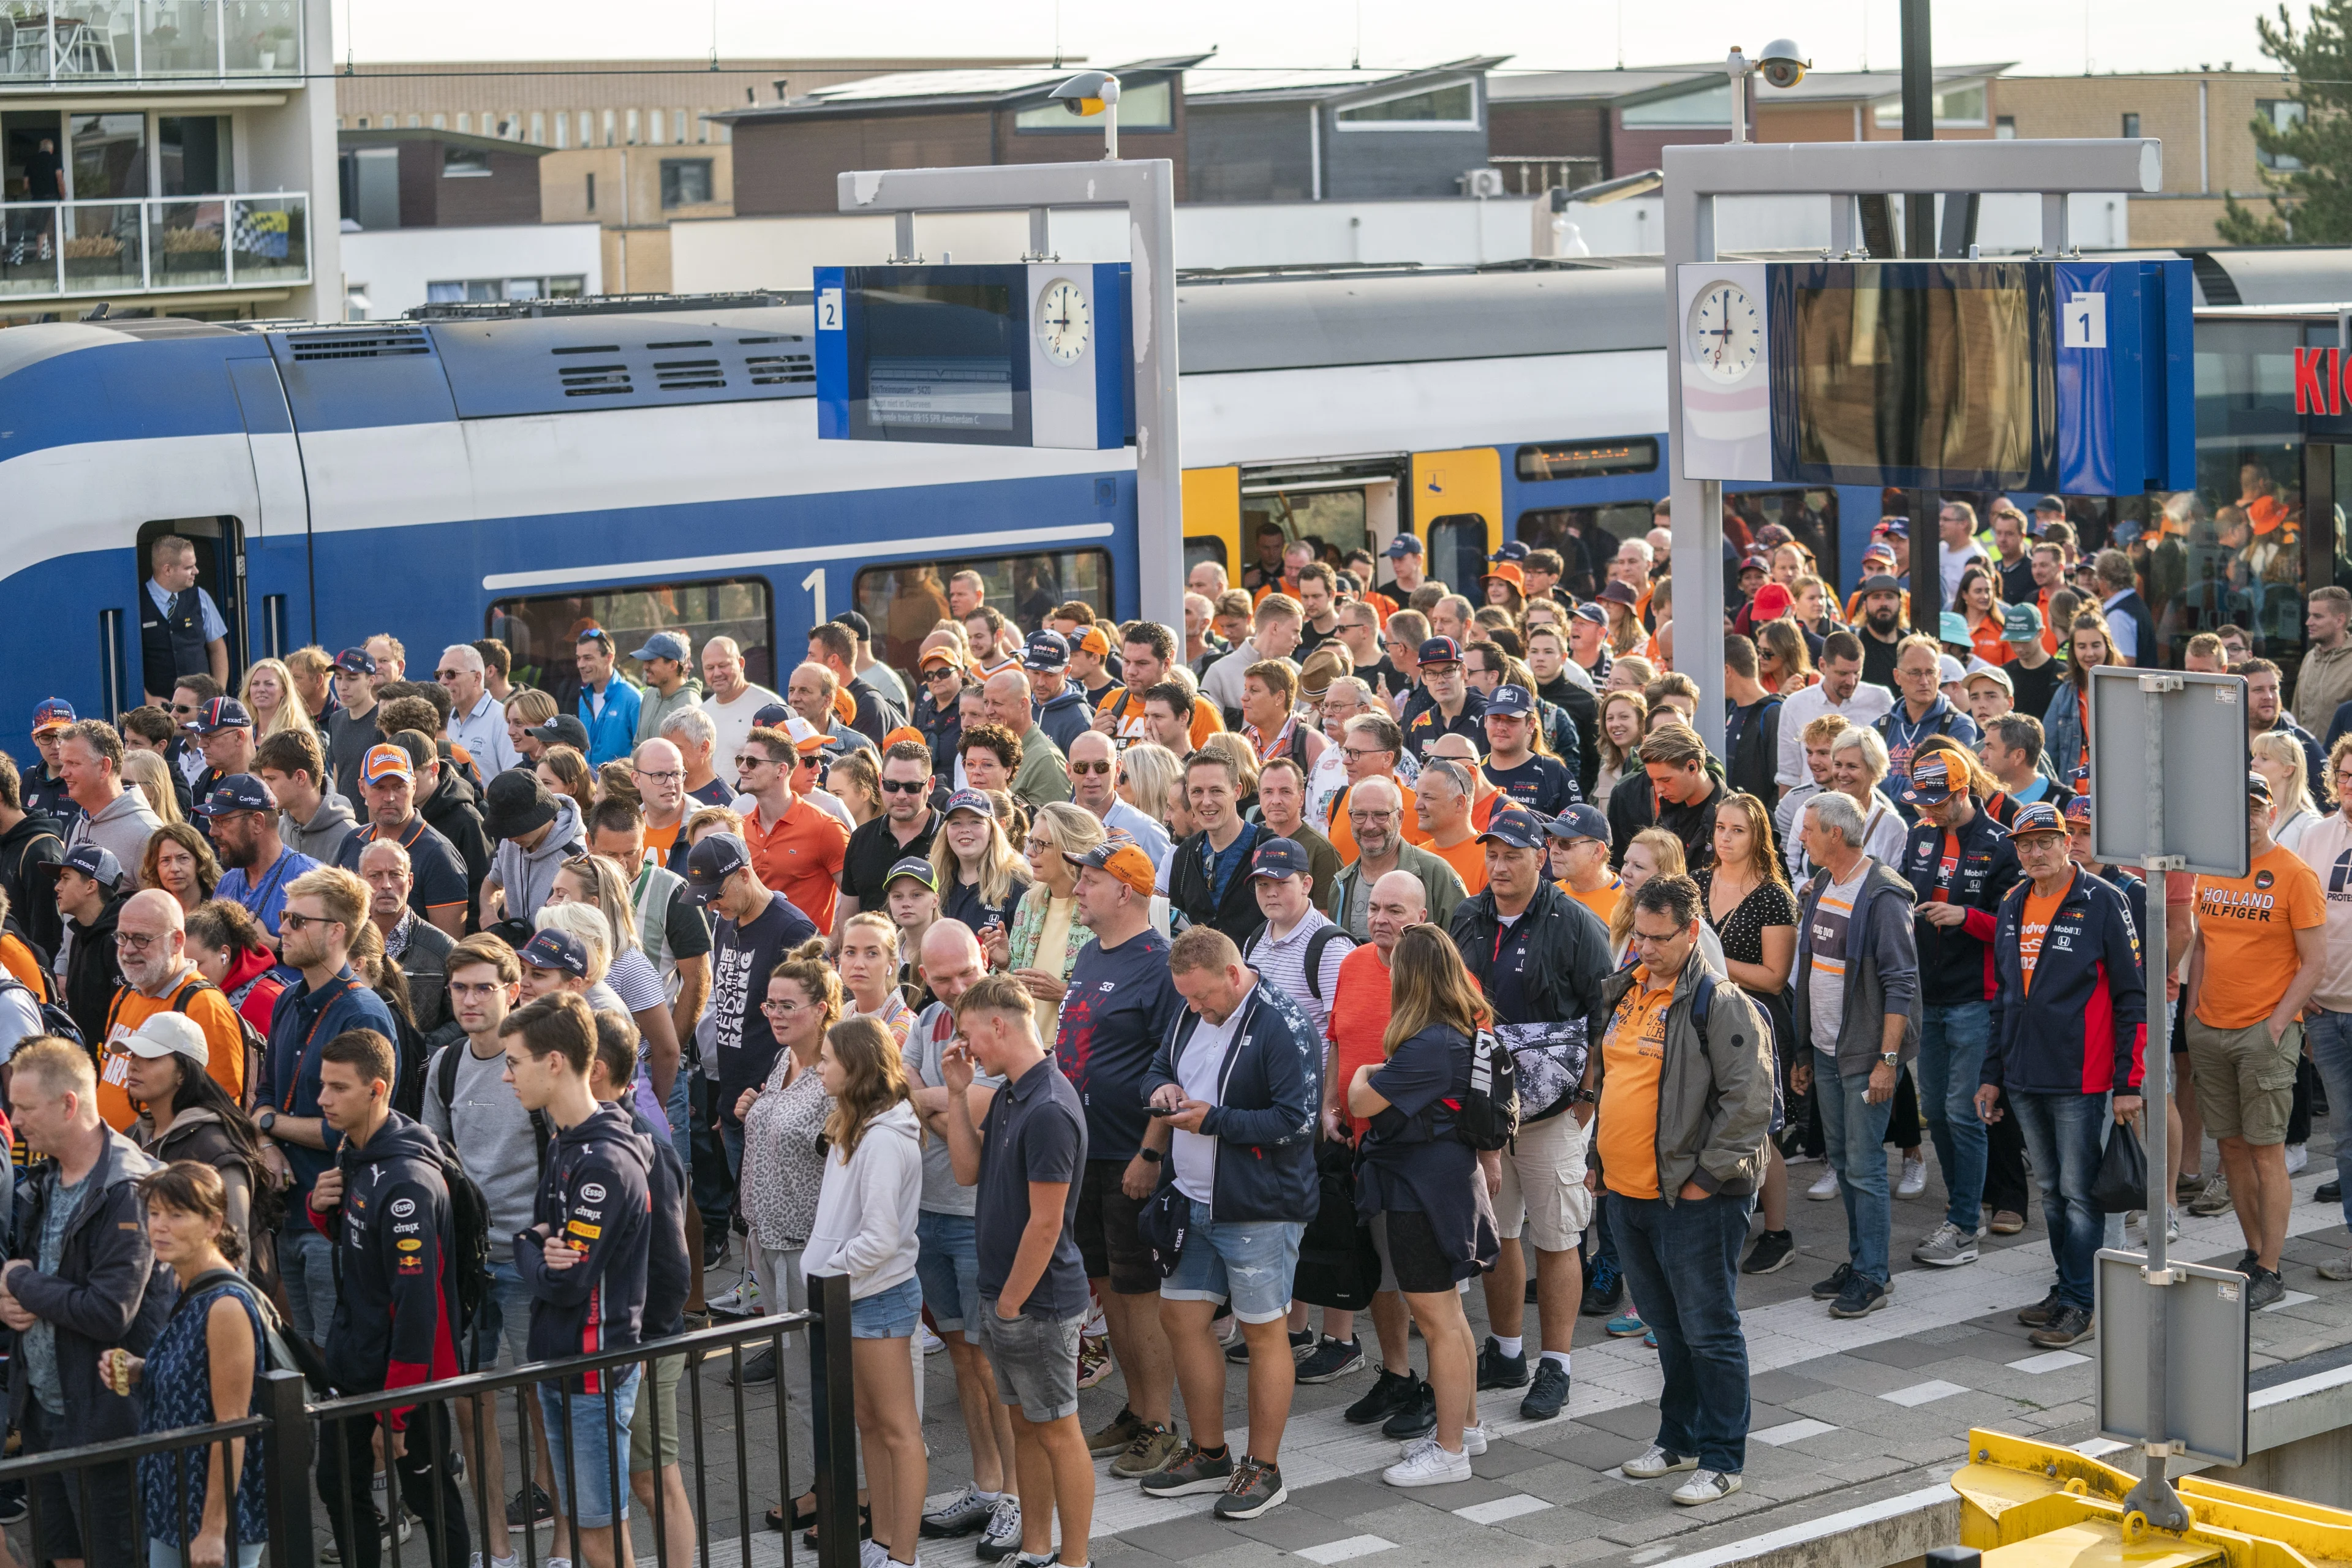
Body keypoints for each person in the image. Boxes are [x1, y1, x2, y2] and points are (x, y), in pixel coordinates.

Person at [1131, 927, 1319, 1519]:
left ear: (1234, 975)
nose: (1193, 1008)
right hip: (1192, 1199)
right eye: (1185, 998)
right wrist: (1162, 1088)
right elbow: (1156, 1066)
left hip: (1259, 1207)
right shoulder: (1193, 1009)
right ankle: (1210, 1454)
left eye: (1202, 996)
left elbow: (1296, 1122)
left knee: (1264, 1333)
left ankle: (1265, 1469)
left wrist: (1213, 1120)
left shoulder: (1282, 1023)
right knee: (1181, 1319)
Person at [1597, 873, 1772, 1506]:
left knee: (1709, 1331)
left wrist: (1705, 1181)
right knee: (1668, 1329)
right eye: (1639, 936)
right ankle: (1680, 1439)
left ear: (1692, 931)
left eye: (1659, 938)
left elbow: (1750, 1104)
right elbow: (1613, 1083)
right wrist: (1598, 1161)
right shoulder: (1626, 990)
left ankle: (1723, 1459)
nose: (1645, 948)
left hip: (1692, 1202)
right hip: (1628, 1195)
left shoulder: (1719, 1003)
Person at [1448, 807, 1609, 1420]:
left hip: (1553, 1112)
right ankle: (1508, 1351)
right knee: (1499, 1234)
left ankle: (1557, 1364)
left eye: (1512, 855)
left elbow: (1605, 1016)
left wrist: (1588, 1099)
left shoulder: (1576, 922)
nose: (1499, 866)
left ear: (1541, 858)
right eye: (1492, 854)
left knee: (1559, 1237)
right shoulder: (1467, 915)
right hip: (1486, 1111)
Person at [937, 973, 1097, 1568]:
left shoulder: (1049, 1106)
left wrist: (1008, 1305)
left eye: (968, 1033)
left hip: (1037, 1302)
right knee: (1027, 1427)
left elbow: (1046, 1225)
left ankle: (1074, 1560)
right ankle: (1035, 1549)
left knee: (1058, 1430)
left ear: (999, 1026)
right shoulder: (1010, 1094)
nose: (964, 1047)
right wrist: (957, 1095)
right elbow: (967, 1172)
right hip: (1008, 1296)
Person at [1979, 801, 2147, 1346]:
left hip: (2082, 1077)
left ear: (2066, 844)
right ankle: (2068, 1286)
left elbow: (2133, 997)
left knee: (2079, 1194)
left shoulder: (2104, 899)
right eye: (2026, 845)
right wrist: (1992, 1074)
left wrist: (2128, 1083)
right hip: (2024, 1073)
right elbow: (2004, 997)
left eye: (2046, 841)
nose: (2036, 852)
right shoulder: (2013, 902)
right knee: (2051, 1192)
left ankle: (2082, 1302)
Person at [306, 1025, 470, 1568]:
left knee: (430, 1498)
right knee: (336, 1485)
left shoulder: (405, 1183)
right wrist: (319, 1209)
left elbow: (417, 1306)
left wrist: (396, 1414)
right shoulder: (356, 1149)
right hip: (355, 1359)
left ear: (376, 1090)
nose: (323, 1099)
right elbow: (359, 1243)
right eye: (323, 1085)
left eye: (338, 1088)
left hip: (404, 1375)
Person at [499, 991, 652, 1568]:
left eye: (514, 1062)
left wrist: (529, 1249)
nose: (508, 1076)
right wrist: (534, 1247)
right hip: (562, 1363)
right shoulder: (566, 1141)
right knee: (597, 1531)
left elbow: (566, 1280)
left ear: (555, 1062)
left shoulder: (603, 1162)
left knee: (599, 1537)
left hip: (593, 1371)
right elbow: (534, 1238)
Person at [3, 1038, 170, 1568]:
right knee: (62, 1554)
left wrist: (21, 1283)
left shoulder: (129, 1189)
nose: (15, 1120)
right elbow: (33, 1275)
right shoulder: (47, 1176)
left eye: (25, 1107)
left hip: (107, 1423)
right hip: (47, 1411)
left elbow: (109, 1311)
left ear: (68, 1104)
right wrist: (10, 1300)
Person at [1050, 836, 1185, 1478]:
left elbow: (1174, 1069)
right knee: (1110, 1290)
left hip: (1128, 1155)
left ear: (1125, 891)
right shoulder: (1088, 952)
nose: (1077, 889)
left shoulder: (1160, 965)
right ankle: (1136, 1409)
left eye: (1089, 880)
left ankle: (1160, 1423)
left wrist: (1150, 1153)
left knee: (1139, 1297)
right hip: (1085, 1152)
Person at [1338, 923, 1490, 1487]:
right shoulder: (1450, 1032)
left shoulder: (1429, 1044)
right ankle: (1466, 1428)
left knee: (1437, 1322)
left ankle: (1450, 1453)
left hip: (1421, 1191)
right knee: (1450, 1316)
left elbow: (1360, 1101)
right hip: (1441, 1185)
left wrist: (1364, 1072)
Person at [902, 926, 1028, 1549]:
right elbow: (903, 1084)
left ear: (985, 960)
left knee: (995, 1362)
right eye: (943, 978)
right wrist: (948, 1102)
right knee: (961, 1356)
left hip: (980, 1216)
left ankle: (1020, 1498)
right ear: (924, 976)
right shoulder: (927, 1021)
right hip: (928, 1211)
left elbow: (983, 1106)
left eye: (967, 973)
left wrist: (941, 1104)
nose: (956, 988)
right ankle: (986, 1484)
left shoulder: (1002, 1019)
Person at [2185, 772, 2326, 1309]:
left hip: (2264, 1032)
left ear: (2270, 813)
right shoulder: (2211, 870)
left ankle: (2271, 1267)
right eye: (2235, 808)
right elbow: (2202, 944)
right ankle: (2252, 1252)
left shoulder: (2295, 874)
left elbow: (2315, 962)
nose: (2245, 818)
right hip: (2210, 1027)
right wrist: (2194, 1012)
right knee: (2230, 1148)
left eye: (2254, 808)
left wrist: (2278, 1024)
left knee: (2267, 1151)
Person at [102, 1158, 272, 1568]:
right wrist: (142, 1369)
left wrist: (212, 1531)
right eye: (154, 1213)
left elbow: (233, 1426)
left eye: (177, 1215)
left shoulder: (226, 1306)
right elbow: (199, 1377)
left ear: (213, 1223)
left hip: (214, 1515)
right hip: (174, 1500)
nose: (159, 1227)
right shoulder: (186, 1283)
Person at [801, 1016, 926, 1566]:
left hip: (874, 1297)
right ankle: (881, 1540)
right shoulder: (856, 1127)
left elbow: (880, 1239)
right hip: (851, 1295)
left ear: (855, 1069)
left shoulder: (883, 1142)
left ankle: (904, 1556)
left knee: (898, 1431)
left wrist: (828, 1272)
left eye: (828, 1059)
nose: (818, 1067)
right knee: (870, 1425)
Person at [1789, 791, 1920, 1320]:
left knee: (1865, 1168)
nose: (1802, 837)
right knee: (1842, 1162)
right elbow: (1811, 969)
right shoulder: (1824, 882)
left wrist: (1887, 1062)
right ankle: (1861, 1259)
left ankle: (1874, 1274)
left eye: (1809, 829)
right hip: (1826, 1052)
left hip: (1865, 1057)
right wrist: (1804, 1048)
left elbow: (1902, 983)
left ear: (1835, 834)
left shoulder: (1884, 895)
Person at [257, 867, 402, 1343]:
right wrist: (267, 1142)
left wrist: (270, 1125)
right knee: (304, 1351)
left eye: (297, 921)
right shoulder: (287, 999)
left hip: (336, 1223)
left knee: (337, 1352)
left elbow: (351, 1129)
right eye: (284, 917)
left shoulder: (362, 1014)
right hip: (287, 1213)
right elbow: (263, 1095)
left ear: (337, 932)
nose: (282, 929)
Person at [1894, 754, 2020, 1272]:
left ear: (1963, 792)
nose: (1927, 810)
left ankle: (1965, 1225)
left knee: (1964, 1112)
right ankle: (1964, 1211)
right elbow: (1903, 891)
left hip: (1975, 998)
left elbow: (2015, 924)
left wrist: (1966, 916)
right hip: (1929, 996)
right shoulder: (1920, 835)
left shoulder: (2002, 845)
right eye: (1921, 802)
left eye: (1937, 802)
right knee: (1939, 1113)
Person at [684, 832, 816, 1248]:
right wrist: (727, 1101)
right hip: (736, 1103)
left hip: (776, 1108)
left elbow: (816, 1022)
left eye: (717, 894)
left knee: (779, 1232)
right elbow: (731, 1014)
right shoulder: (727, 922)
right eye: (704, 898)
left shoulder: (792, 929)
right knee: (750, 1224)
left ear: (744, 875)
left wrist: (775, 1096)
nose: (712, 906)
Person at [1696, 797, 1800, 1276]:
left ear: (1757, 836)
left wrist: (1710, 961)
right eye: (1721, 827)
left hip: (1757, 1021)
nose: (1725, 837)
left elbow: (1775, 978)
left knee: (1761, 1131)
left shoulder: (1774, 896)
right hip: (1703, 1019)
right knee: (1705, 1122)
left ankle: (1778, 1234)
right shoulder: (1698, 883)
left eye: (1737, 829)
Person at [336, 745, 470, 938]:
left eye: (399, 787)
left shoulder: (439, 854)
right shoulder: (352, 841)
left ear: (413, 786)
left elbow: (448, 947)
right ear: (362, 788)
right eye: (379, 787)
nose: (389, 797)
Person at [1325, 776, 1463, 942]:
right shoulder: (1341, 885)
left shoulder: (1436, 874)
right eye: (1360, 815)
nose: (1369, 825)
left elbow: (1462, 949)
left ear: (1400, 817)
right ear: (1350, 817)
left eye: (1380, 815)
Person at [1166, 749, 1268, 946]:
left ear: (1237, 791)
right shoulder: (1185, 855)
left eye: (1216, 791)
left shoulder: (1266, 848)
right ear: (1188, 793)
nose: (1206, 801)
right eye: (1197, 791)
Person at [838, 738, 939, 933]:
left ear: (931, 785)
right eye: (892, 785)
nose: (901, 795)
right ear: (880, 782)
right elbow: (847, 921)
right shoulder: (861, 838)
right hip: (871, 951)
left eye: (912, 787)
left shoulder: (949, 834)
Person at [1610, 720, 1724, 870]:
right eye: (1654, 780)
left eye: (1666, 780)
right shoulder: (1667, 813)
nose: (1659, 790)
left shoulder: (1734, 818)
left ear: (1692, 767)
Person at [60, 718, 166, 876]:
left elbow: (157, 893)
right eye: (63, 763)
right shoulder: (77, 823)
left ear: (104, 767)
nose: (63, 773)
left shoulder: (147, 832)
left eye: (73, 763)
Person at [931, 788, 1033, 940]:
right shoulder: (934, 882)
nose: (965, 830)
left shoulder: (1018, 886)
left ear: (992, 831)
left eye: (975, 822)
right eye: (956, 823)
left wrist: (1005, 954)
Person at [56, 840, 130, 1046]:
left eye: (65, 879)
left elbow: (122, 1017)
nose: (57, 887)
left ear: (91, 886)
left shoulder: (121, 940)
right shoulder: (81, 933)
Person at [141, 535, 230, 703]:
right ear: (168, 570)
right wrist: (148, 699)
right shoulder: (138, 603)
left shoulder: (201, 597)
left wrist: (217, 698)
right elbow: (127, 661)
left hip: (200, 706)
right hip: (159, 709)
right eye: (189, 567)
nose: (196, 571)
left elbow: (218, 650)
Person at [573, 627, 644, 768]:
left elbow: (642, 752)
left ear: (609, 658)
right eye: (578, 658)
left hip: (621, 782)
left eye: (588, 658)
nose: (580, 665)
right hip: (588, 781)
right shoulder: (584, 699)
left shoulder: (633, 699)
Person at [142, 818, 220, 914]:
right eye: (165, 860)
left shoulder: (220, 907)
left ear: (200, 862)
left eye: (183, 858)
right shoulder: (150, 912)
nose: (174, 869)